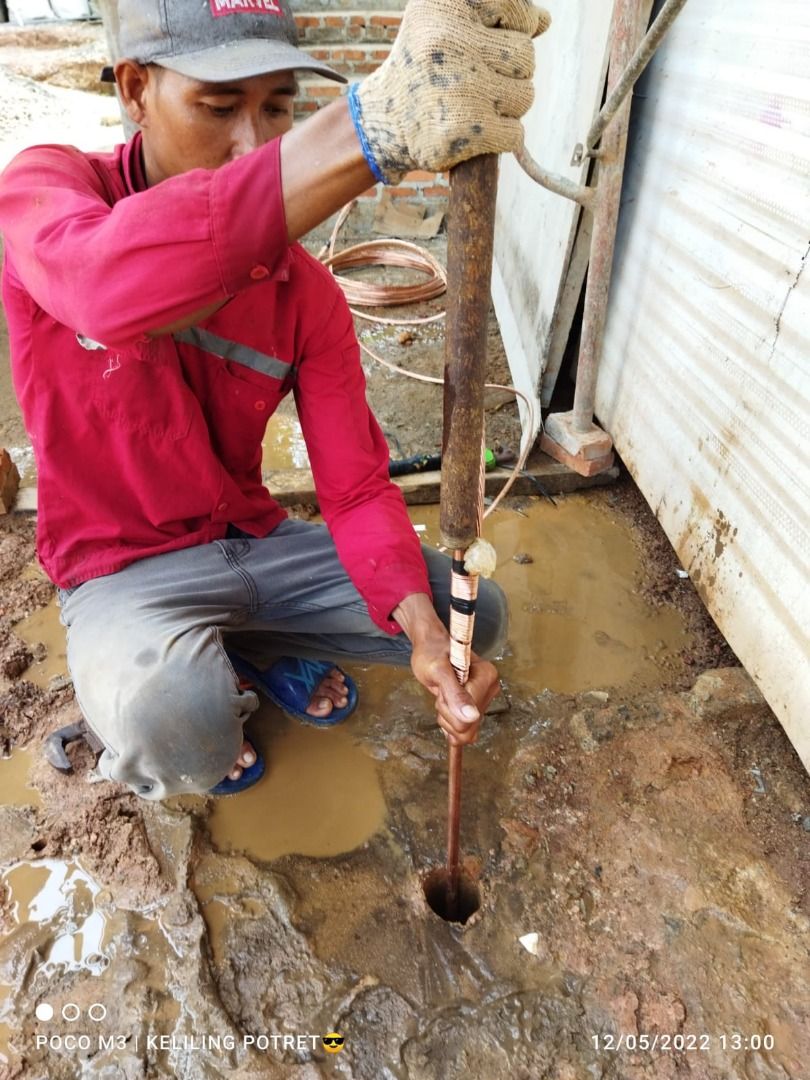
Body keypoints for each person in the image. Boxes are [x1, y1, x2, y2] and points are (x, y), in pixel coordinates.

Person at [0, 0, 549, 800]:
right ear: (135, 89)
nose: (253, 143)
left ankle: (250, 648)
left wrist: (425, 630)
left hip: (252, 544)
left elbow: (354, 489)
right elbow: (103, 286)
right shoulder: (48, 192)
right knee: (178, 723)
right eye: (219, 107)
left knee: (475, 619)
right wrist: (372, 129)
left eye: (279, 108)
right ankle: (197, 682)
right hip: (120, 569)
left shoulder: (305, 293)